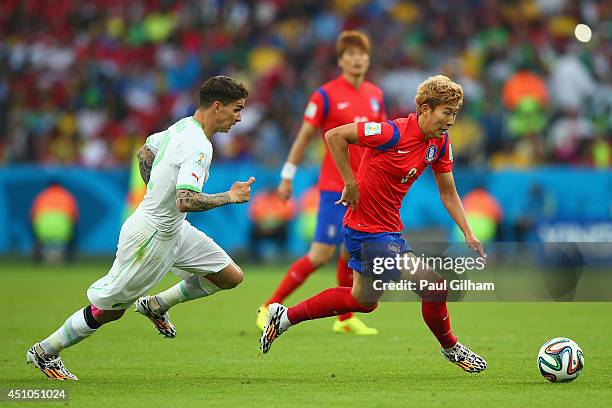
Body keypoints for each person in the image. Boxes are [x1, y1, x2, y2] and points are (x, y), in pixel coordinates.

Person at [27, 76, 252, 380]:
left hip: (173, 227)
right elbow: (185, 200)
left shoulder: (182, 126)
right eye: (236, 110)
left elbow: (144, 152)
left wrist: (155, 191)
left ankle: (157, 304)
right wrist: (230, 196)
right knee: (110, 309)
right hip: (152, 236)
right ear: (216, 106)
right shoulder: (199, 146)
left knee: (230, 276)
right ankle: (45, 351)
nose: (239, 118)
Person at [260, 75, 488, 373]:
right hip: (366, 231)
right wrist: (350, 183)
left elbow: (448, 191)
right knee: (433, 286)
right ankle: (451, 347)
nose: (451, 121)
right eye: (446, 112)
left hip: (388, 229)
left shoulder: (440, 143)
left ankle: (284, 317)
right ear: (424, 109)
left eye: (455, 114)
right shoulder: (391, 132)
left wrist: (468, 231)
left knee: (363, 300)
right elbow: (334, 136)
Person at [256, 31, 385, 335]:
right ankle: (269, 306)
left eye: (362, 54)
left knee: (351, 253)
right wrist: (287, 175)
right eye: (350, 54)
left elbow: (381, 138)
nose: (357, 59)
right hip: (333, 187)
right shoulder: (325, 95)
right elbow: (304, 136)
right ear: (340, 60)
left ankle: (344, 319)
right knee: (321, 254)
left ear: (368, 58)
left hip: (363, 187)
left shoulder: (375, 95)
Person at [31, 181, 79, 263]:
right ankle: (70, 258)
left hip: (43, 230)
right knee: (74, 230)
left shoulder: (42, 195)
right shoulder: (66, 195)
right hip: (62, 229)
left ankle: (37, 255)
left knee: (36, 232)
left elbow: (33, 216)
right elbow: (75, 217)